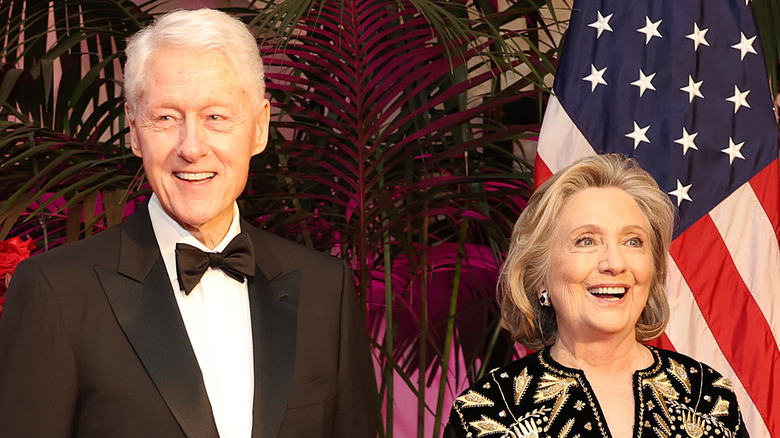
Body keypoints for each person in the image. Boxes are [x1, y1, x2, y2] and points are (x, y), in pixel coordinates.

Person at [0, 9, 376, 438]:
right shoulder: (57, 291)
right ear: (134, 130)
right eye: (166, 118)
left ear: (259, 127)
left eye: (216, 117)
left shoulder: (327, 290)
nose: (191, 148)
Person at [445, 154, 748, 438]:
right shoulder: (487, 414)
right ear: (540, 276)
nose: (614, 264)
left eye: (633, 241)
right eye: (586, 240)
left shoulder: (708, 399)